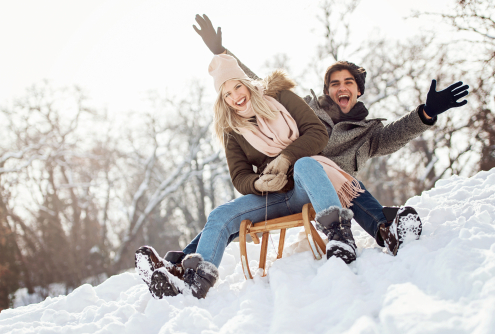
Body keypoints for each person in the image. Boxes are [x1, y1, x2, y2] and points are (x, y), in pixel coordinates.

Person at [189, 14, 469, 257]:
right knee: (228, 214)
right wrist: (222, 53)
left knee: (349, 185)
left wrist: (426, 113)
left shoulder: (367, 134)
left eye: (348, 82)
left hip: (337, 196)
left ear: (358, 90)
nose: (341, 87)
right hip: (291, 186)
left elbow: (397, 134)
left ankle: (386, 231)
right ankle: (187, 258)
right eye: (334, 83)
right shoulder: (304, 111)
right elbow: (252, 85)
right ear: (327, 91)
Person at [135, 52, 367, 299]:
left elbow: (318, 133)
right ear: (223, 100)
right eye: (227, 94)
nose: (235, 96)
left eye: (237, 86)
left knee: (305, 165)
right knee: (220, 215)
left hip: (306, 188)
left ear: (246, 83)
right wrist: (258, 183)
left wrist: (286, 158)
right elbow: (239, 176)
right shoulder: (232, 131)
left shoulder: (281, 98)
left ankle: (341, 238)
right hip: (272, 196)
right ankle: (192, 282)